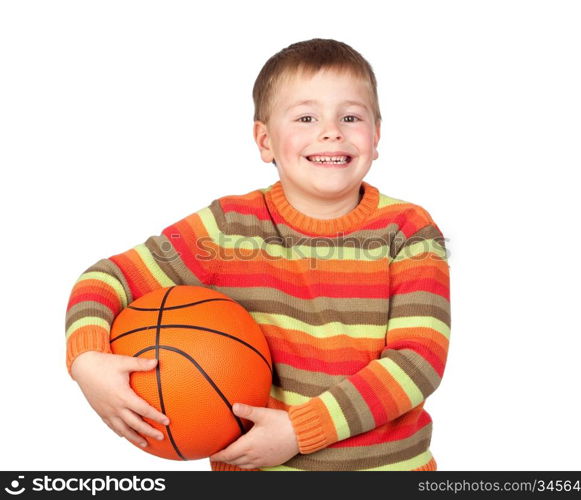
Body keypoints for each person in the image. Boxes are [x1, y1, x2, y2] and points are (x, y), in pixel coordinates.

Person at [65, 38, 451, 471]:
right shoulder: (227, 227)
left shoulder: (410, 231)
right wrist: (87, 360)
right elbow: (107, 278)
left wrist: (300, 431)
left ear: (376, 136)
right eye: (306, 117)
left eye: (350, 116)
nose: (331, 131)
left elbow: (418, 361)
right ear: (265, 140)